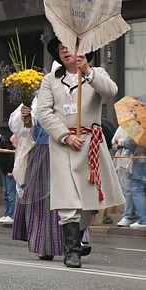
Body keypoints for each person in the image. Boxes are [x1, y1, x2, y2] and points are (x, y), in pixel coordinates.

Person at [36, 37, 124, 268]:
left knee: (87, 202)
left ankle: (79, 237)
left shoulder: (97, 74)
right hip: (64, 145)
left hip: (90, 145)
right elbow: (44, 113)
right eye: (61, 48)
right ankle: (71, 251)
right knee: (68, 199)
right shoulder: (50, 81)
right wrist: (64, 135)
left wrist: (88, 71)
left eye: (71, 47)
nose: (65, 51)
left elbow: (111, 91)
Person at [9, 93, 65, 261]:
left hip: (66, 148)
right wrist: (26, 117)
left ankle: (76, 241)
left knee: (69, 195)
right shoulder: (39, 98)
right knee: (41, 198)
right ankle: (45, 244)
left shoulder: (74, 91)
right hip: (42, 151)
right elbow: (25, 129)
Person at [112, 125, 137, 227]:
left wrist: (121, 142)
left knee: (132, 190)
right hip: (122, 161)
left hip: (134, 159)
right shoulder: (123, 126)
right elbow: (114, 142)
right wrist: (120, 143)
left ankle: (130, 216)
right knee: (126, 189)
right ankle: (129, 215)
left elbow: (132, 143)